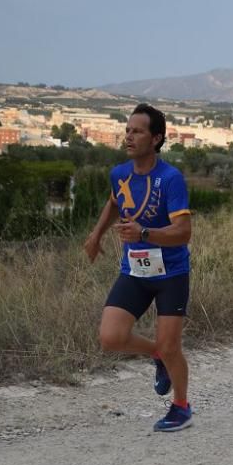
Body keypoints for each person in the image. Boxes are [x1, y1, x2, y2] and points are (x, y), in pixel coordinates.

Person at [83, 103, 194, 432]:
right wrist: (96, 234)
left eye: (137, 131)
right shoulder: (119, 173)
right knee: (111, 337)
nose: (129, 136)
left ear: (156, 138)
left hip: (171, 273)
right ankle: (157, 354)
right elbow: (116, 201)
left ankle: (182, 407)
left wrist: (144, 233)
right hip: (135, 270)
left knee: (173, 345)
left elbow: (184, 232)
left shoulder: (170, 179)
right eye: (127, 130)